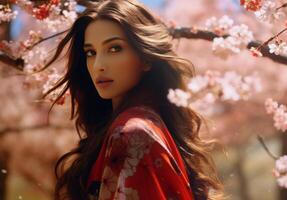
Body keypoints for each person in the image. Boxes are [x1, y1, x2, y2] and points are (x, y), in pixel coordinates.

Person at [40, 0, 225, 199]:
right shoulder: (146, 125)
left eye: (114, 49)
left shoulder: (132, 133)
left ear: (145, 58)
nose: (98, 65)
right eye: (90, 53)